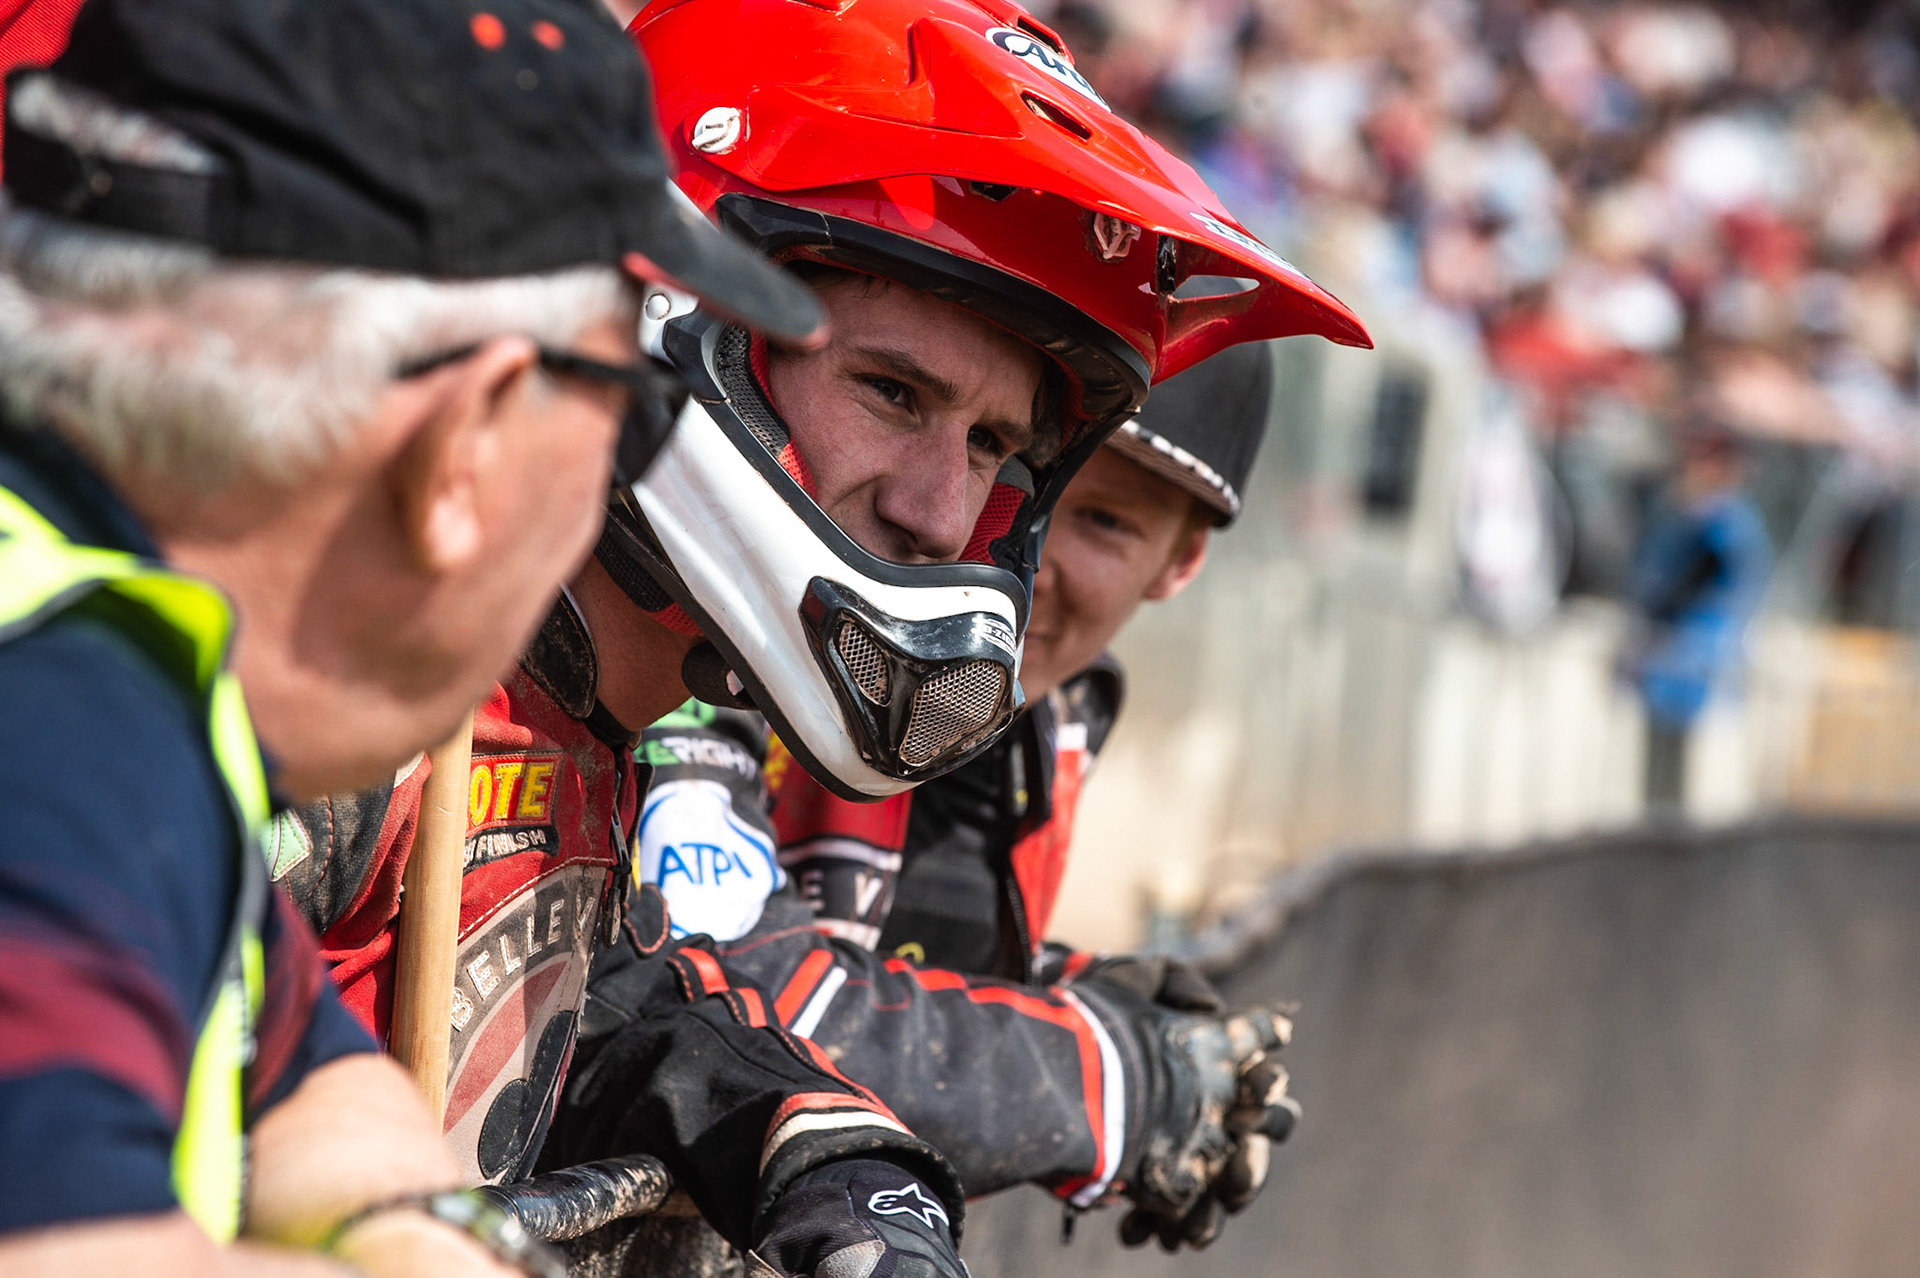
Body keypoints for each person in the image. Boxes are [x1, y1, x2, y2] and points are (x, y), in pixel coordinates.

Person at [280, 0, 1366, 1270]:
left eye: (993, 448)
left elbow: (600, 1002)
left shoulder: (574, 711)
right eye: (893, 392)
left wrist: (833, 1156)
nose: (939, 509)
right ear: (679, 317)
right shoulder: (342, 676)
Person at [0, 0, 825, 1271]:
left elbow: (309, 1092)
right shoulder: (55, 729)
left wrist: (426, 1238)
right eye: (631, 418)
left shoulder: (130, 671)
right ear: (468, 444)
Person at [632, 344, 1316, 1252]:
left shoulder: (1055, 713)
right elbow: (711, 992)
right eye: (1026, 476)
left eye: (1104, 523)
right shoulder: (718, 641)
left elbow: (895, 949)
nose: (1024, 557)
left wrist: (1056, 995)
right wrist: (1104, 1076)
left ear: (1178, 563)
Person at [1624, 422, 1771, 810]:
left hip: (1702, 667)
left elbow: (1698, 585)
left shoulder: (1726, 523)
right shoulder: (1685, 514)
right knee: (1657, 788)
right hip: (1669, 666)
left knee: (1698, 794)